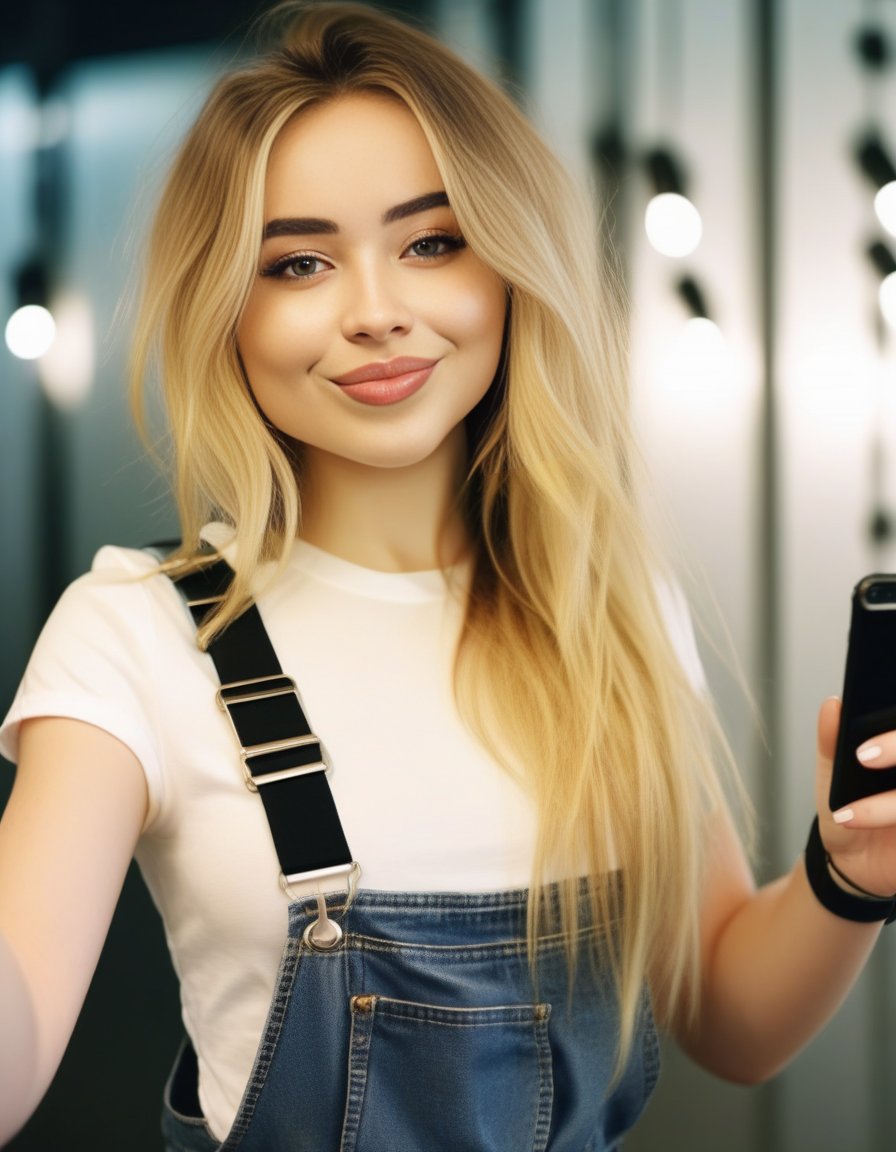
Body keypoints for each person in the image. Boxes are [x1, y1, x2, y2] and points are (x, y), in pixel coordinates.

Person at [2, 3, 896, 1148]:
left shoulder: (612, 613)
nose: (376, 313)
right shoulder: (135, 633)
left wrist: (847, 871)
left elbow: (725, 1013)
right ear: (226, 306)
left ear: (511, 268)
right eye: (300, 262)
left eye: (431, 242)